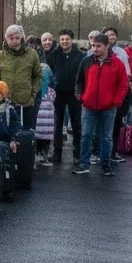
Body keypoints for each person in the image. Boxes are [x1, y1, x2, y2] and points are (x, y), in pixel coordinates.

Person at [74, 33, 128, 176]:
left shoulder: (117, 64)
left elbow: (123, 85)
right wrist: (81, 97)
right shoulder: (86, 62)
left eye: (98, 46)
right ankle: (84, 164)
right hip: (88, 105)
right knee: (86, 135)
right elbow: (79, 81)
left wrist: (116, 101)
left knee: (106, 137)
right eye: (93, 46)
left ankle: (106, 165)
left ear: (107, 46)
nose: (95, 49)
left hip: (109, 107)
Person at [0, 25, 42, 130]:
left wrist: (32, 93)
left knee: (25, 136)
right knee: (4, 135)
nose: (14, 41)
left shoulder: (32, 54)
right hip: (4, 104)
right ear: (6, 39)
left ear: (22, 38)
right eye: (11, 38)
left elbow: (38, 76)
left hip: (26, 104)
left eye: (17, 38)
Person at [48, 29, 84, 164]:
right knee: (57, 124)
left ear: (72, 40)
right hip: (59, 93)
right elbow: (50, 72)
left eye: (67, 39)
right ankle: (57, 153)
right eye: (62, 39)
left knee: (76, 125)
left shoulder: (80, 56)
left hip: (74, 94)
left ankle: (77, 154)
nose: (64, 42)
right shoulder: (54, 55)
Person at [103, 26, 132, 164]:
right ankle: (99, 153)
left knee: (115, 124)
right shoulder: (95, 51)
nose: (110, 36)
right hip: (101, 94)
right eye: (107, 34)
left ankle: (112, 153)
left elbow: (127, 74)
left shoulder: (121, 53)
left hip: (117, 94)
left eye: (113, 34)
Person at [35, 64, 56, 166]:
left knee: (37, 140)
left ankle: (37, 155)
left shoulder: (33, 90)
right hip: (47, 124)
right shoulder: (51, 92)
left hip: (37, 122)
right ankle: (44, 156)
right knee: (45, 141)